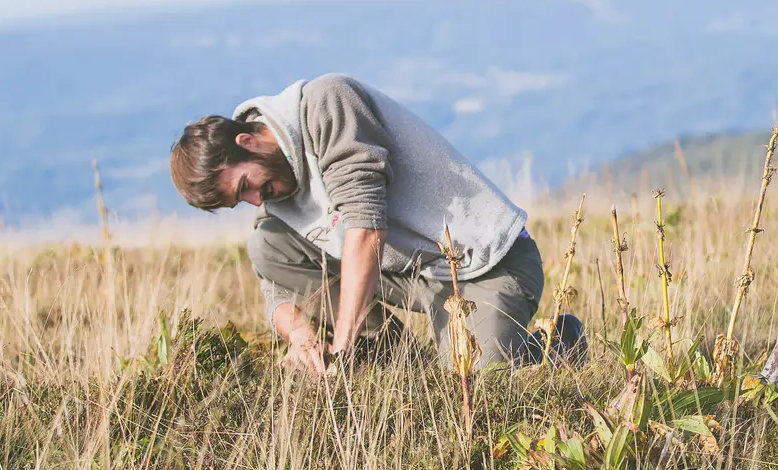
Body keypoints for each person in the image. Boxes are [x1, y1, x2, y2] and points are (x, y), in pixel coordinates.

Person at [170, 74, 583, 375]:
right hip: (412, 273)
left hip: (485, 264)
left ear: (248, 141)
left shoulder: (327, 104)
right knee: (268, 244)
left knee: (480, 383)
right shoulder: (276, 188)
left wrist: (342, 344)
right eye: (239, 200)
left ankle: (558, 344)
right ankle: (397, 366)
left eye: (245, 185)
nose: (255, 200)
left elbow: (366, 229)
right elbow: (274, 282)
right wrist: (297, 331)